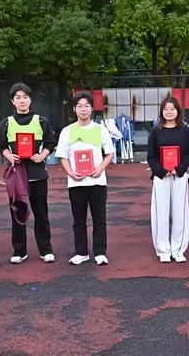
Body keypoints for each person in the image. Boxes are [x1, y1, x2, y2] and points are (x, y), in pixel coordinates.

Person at [0, 82, 57, 264]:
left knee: (41, 214)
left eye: (25, 97)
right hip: (17, 176)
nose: (22, 101)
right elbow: (1, 146)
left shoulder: (41, 121)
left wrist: (42, 155)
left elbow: (50, 143)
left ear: (30, 100)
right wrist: (9, 155)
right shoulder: (6, 123)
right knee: (18, 214)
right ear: (12, 101)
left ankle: (46, 250)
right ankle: (19, 251)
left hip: (38, 175)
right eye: (18, 97)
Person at [55, 92, 115, 265]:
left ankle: (100, 252)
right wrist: (70, 173)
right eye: (80, 106)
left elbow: (109, 153)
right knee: (78, 219)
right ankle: (81, 252)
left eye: (87, 106)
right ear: (74, 109)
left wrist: (100, 169)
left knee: (99, 219)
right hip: (76, 183)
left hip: (97, 182)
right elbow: (62, 156)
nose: (83, 109)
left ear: (91, 108)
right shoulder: (67, 131)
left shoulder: (100, 129)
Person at [147, 97, 189, 263]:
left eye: (172, 109)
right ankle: (163, 250)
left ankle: (178, 250)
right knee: (161, 215)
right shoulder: (155, 131)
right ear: (161, 111)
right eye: (166, 109)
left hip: (179, 177)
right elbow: (151, 156)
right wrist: (161, 171)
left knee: (180, 214)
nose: (169, 112)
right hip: (161, 177)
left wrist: (179, 169)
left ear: (178, 111)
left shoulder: (185, 131)